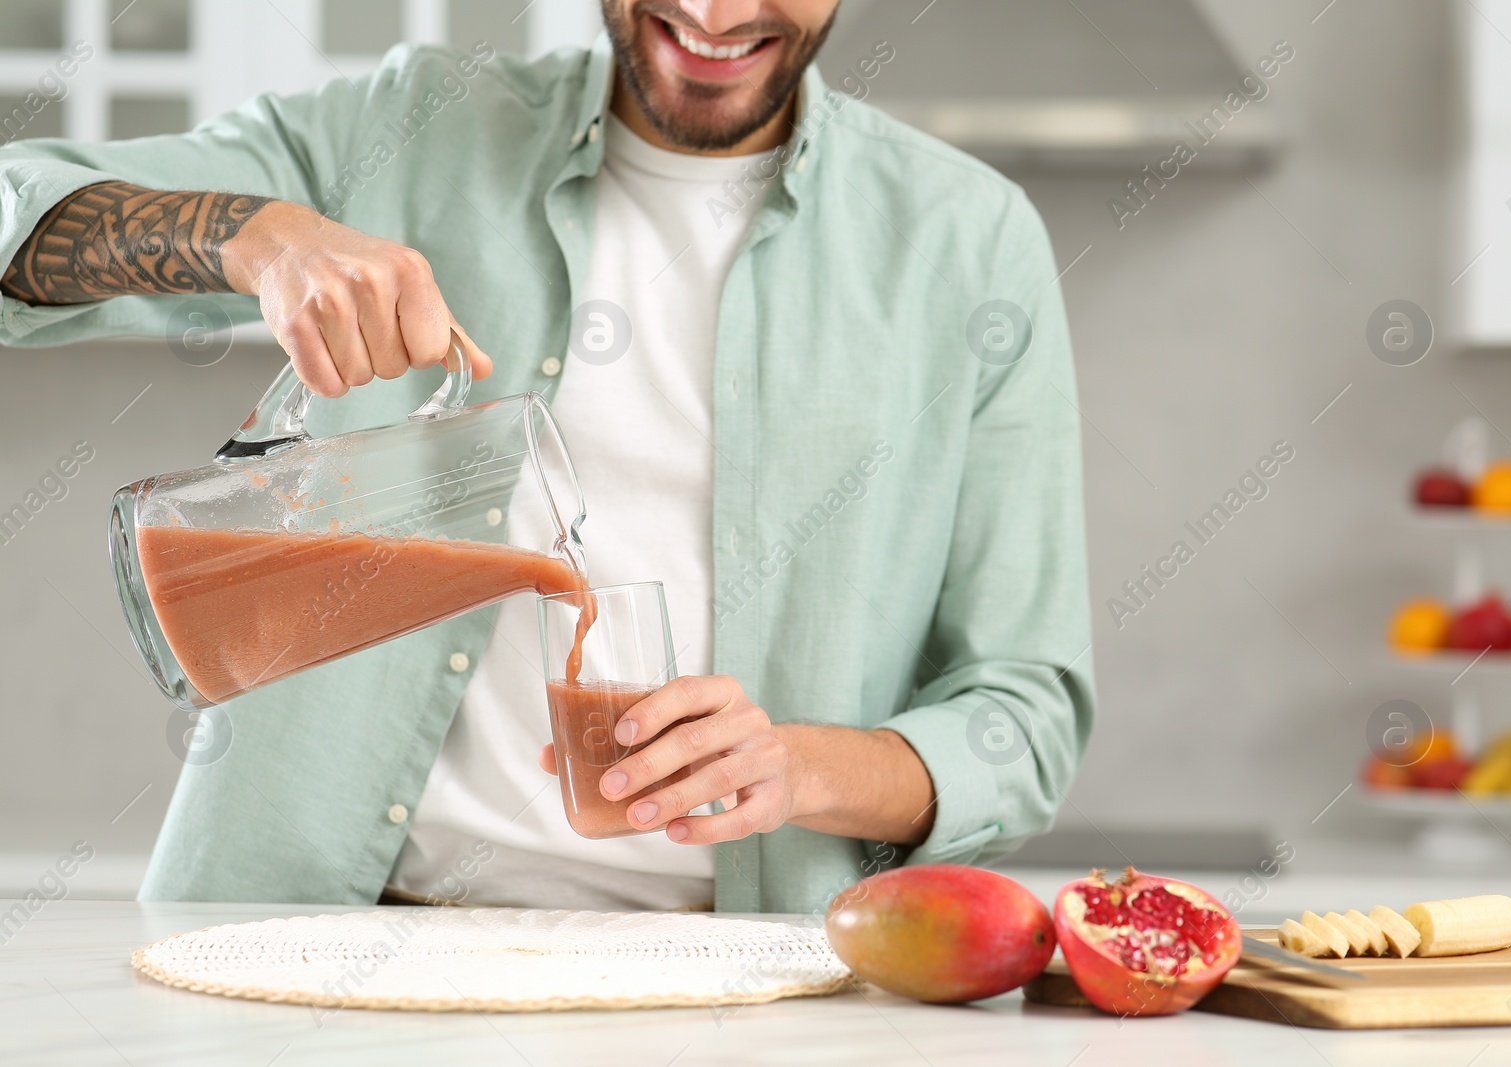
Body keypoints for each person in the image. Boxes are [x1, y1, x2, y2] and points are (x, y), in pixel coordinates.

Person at [0, 0, 1094, 913]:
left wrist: (797, 766)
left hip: (732, 980)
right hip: (304, 938)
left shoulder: (968, 242)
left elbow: (1024, 713)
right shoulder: (406, 123)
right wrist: (254, 233)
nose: (713, 16)